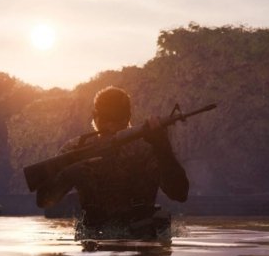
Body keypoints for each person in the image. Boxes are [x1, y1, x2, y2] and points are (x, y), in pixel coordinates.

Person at [36, 86, 189, 240]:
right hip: (95, 245)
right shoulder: (77, 150)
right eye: (104, 117)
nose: (109, 125)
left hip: (142, 246)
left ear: (127, 117)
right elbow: (44, 201)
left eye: (115, 118)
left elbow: (179, 193)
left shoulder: (148, 146)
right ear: (95, 116)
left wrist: (163, 148)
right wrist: (69, 174)